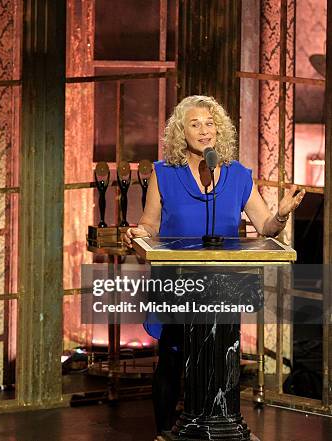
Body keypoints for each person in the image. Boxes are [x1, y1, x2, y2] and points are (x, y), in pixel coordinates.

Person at [121, 95, 305, 438]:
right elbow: (150, 223)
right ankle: (165, 433)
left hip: (223, 284)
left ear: (219, 131)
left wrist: (280, 214)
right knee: (173, 357)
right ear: (181, 132)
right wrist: (139, 233)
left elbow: (265, 225)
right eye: (195, 124)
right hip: (176, 283)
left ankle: (221, 427)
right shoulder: (164, 174)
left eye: (210, 124)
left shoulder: (237, 175)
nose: (204, 131)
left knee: (221, 359)